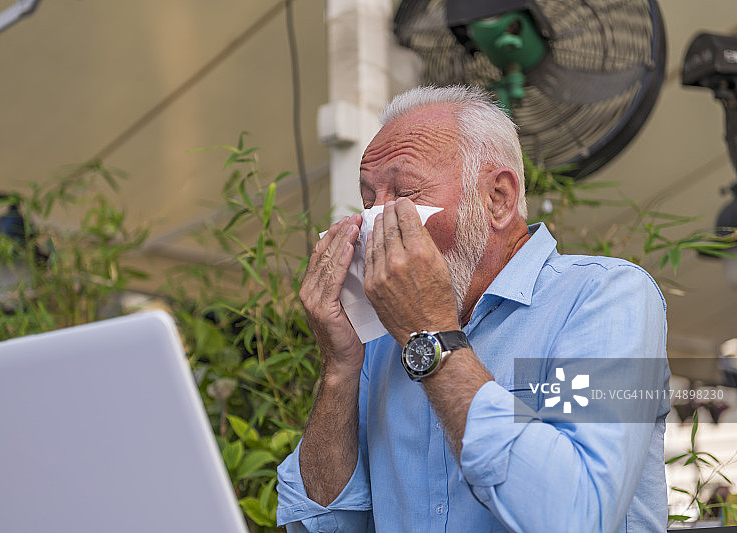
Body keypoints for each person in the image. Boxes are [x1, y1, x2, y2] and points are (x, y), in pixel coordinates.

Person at [277, 85, 670, 532]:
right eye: (368, 202)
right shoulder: (382, 345)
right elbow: (324, 526)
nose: (377, 224)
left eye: (405, 194)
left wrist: (431, 335)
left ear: (497, 198)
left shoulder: (604, 298)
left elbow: (577, 514)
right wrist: (339, 369)